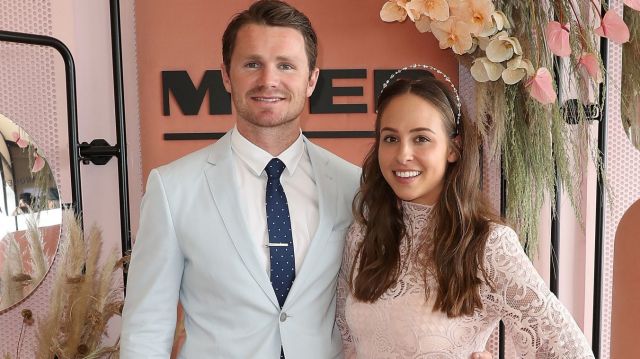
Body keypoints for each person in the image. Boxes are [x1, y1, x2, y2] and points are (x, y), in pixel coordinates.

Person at [120, 1, 494, 358]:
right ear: (226, 77)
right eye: (252, 64)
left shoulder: (356, 186)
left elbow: (406, 289)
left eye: (286, 66)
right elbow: (146, 329)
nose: (269, 80)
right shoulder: (173, 189)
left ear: (312, 79)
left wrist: (461, 346)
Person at [336, 68, 596, 358]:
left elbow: (571, 351)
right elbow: (346, 343)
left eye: (421, 138)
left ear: (453, 148)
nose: (402, 154)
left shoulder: (488, 244)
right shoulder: (363, 234)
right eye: (390, 138)